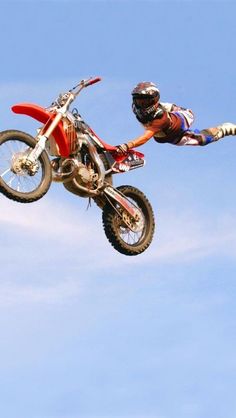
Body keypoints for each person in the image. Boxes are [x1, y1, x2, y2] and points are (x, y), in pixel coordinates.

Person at [116, 81, 236, 153]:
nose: (141, 105)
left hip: (182, 120)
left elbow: (146, 137)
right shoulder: (138, 110)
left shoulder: (159, 118)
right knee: (161, 134)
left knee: (203, 139)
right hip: (169, 137)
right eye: (139, 102)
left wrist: (128, 145)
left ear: (153, 101)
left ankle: (226, 128)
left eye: (145, 103)